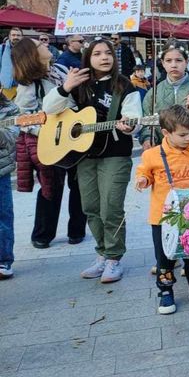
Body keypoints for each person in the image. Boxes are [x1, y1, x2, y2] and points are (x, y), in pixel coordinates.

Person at [43, 38, 142, 283]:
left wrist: (130, 126)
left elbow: (134, 117)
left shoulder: (124, 86)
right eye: (97, 53)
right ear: (88, 57)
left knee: (111, 207)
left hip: (115, 154)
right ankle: (102, 253)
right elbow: (50, 109)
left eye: (108, 53)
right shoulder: (79, 84)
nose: (104, 57)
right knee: (90, 207)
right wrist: (65, 87)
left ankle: (114, 258)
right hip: (84, 156)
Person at [134, 105, 189, 314]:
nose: (188, 138)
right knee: (165, 256)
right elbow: (144, 173)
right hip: (163, 216)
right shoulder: (152, 155)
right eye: (182, 135)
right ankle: (165, 291)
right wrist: (143, 180)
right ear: (165, 133)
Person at [12, 37, 86, 249]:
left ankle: (77, 231)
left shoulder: (58, 70)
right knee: (50, 187)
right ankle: (42, 234)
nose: (46, 45)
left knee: (78, 184)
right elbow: (25, 120)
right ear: (32, 54)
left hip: (74, 134)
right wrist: (50, 132)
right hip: (50, 143)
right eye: (40, 45)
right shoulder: (28, 85)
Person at [140, 46, 189, 152]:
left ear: (187, 62)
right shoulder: (153, 93)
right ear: (163, 63)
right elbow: (146, 122)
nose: (174, 65)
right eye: (168, 61)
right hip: (162, 151)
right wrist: (147, 139)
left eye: (179, 60)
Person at [0, 94, 18, 279]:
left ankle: (3, 261)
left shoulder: (8, 108)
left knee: (3, 216)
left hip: (0, 171)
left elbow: (11, 137)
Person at [0, 28, 23, 98]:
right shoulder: (2, 48)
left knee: (20, 108)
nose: (16, 37)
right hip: (6, 87)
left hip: (23, 87)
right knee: (6, 108)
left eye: (18, 35)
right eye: (13, 35)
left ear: (22, 37)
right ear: (9, 36)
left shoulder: (27, 49)